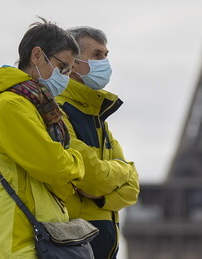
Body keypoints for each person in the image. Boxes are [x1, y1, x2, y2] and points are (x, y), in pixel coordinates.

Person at [0, 18, 85, 258]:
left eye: (69, 71)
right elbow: (55, 166)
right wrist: (77, 162)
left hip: (38, 242)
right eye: (62, 67)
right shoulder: (11, 106)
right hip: (18, 245)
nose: (66, 77)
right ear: (37, 56)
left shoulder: (37, 108)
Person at [56, 26, 139, 259]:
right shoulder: (58, 113)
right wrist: (122, 172)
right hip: (74, 247)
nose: (104, 62)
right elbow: (91, 179)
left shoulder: (98, 121)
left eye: (105, 55)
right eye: (96, 55)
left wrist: (104, 197)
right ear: (71, 63)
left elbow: (133, 187)